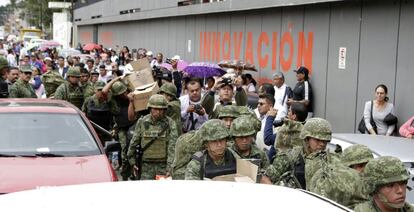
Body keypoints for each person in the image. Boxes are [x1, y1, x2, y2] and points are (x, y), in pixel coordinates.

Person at [261, 118, 335, 189]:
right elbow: (265, 179)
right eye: (317, 140)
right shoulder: (289, 157)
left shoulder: (329, 161)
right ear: (306, 139)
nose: (322, 144)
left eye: (325, 141)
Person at [127, 94, 178, 180]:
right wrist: (132, 162)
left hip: (163, 165)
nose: (158, 112)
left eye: (161, 109)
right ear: (150, 108)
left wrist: (170, 167)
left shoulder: (170, 123)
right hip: (145, 166)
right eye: (155, 109)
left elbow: (172, 147)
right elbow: (133, 142)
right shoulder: (142, 122)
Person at [103, 77, 136, 180]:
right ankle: (125, 175)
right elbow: (104, 91)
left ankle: (134, 172)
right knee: (125, 151)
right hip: (122, 128)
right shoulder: (112, 101)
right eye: (121, 93)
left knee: (134, 150)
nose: (124, 94)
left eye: (125, 91)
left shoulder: (131, 96)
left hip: (134, 126)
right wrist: (115, 79)